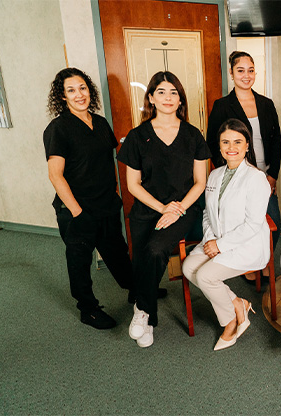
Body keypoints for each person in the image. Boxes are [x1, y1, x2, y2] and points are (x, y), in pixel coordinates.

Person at [117, 71, 210, 348]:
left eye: (173, 92)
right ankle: (148, 322)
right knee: (141, 260)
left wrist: (175, 210)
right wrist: (162, 208)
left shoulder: (193, 135)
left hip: (183, 210)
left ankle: (142, 311)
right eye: (161, 92)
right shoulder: (137, 136)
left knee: (156, 250)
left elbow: (200, 182)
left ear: (180, 99)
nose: (168, 97)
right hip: (147, 209)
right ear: (151, 98)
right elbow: (132, 185)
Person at [43, 67, 133, 329]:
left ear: (89, 90)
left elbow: (111, 157)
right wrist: (77, 213)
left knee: (117, 251)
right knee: (79, 262)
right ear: (62, 96)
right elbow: (55, 176)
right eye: (71, 90)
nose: (79, 94)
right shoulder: (58, 129)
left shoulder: (100, 122)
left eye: (82, 88)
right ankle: (88, 310)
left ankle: (133, 289)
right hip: (77, 210)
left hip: (105, 203)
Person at [182, 119, 271, 351]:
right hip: (216, 239)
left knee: (206, 277)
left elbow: (253, 224)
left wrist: (220, 245)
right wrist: (211, 240)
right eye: (226, 142)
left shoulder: (256, 178)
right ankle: (237, 302)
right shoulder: (214, 175)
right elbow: (208, 213)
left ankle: (230, 322)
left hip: (245, 245)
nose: (232, 147)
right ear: (220, 146)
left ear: (247, 145)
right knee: (188, 267)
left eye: (238, 141)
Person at [206, 50, 281, 251]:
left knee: (273, 223)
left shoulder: (266, 104)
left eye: (251, 70)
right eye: (240, 70)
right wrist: (228, 173)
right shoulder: (222, 106)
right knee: (242, 224)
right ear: (231, 73)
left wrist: (273, 175)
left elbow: (276, 141)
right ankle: (245, 265)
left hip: (264, 175)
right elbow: (213, 144)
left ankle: (265, 263)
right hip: (236, 175)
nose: (246, 75)